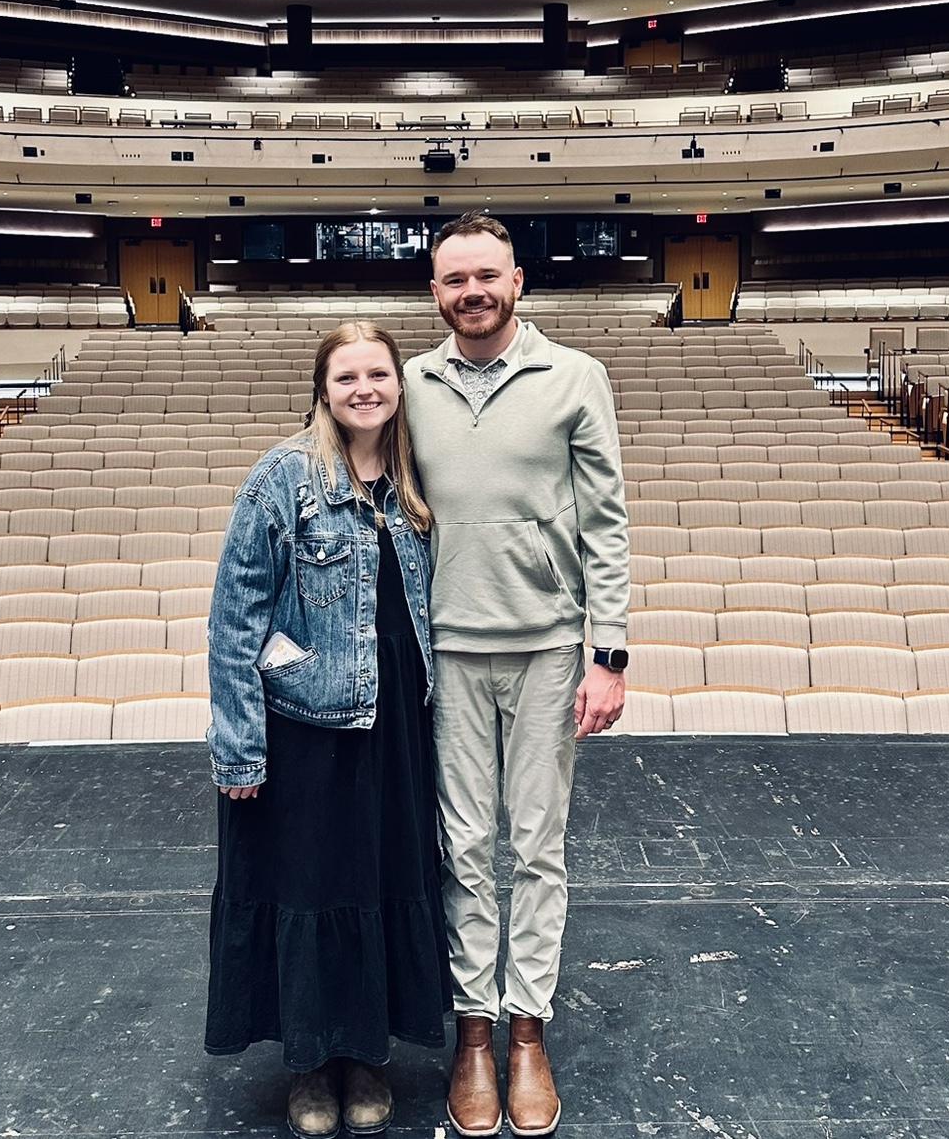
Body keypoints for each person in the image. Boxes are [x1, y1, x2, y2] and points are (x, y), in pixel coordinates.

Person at [405, 212, 631, 1139]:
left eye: (487, 276)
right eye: (455, 279)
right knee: (462, 851)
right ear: (435, 291)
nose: (473, 292)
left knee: (537, 849)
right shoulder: (409, 382)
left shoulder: (576, 376)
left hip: (546, 647)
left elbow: (606, 522)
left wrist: (607, 653)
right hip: (445, 650)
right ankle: (473, 1033)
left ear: (518, 281)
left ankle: (528, 1032)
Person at [205, 321, 453, 1139]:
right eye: (346, 377)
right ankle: (310, 1063)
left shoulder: (417, 478)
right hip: (305, 725)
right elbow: (234, 620)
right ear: (324, 389)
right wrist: (239, 744)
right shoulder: (283, 477)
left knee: (379, 884)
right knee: (310, 891)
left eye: (378, 374)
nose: (364, 389)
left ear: (397, 383)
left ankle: (366, 1053)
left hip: (395, 727)